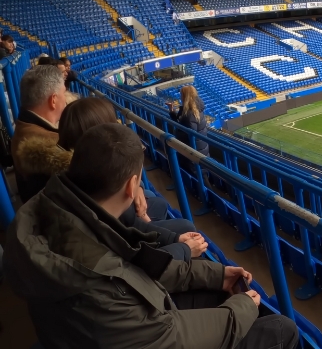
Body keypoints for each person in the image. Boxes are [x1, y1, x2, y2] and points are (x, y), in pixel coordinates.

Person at [3, 123, 299, 349]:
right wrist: (242, 307)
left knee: (221, 291)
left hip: (85, 332)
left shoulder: (59, 212)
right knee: (282, 329)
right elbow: (169, 336)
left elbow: (134, 270)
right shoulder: (94, 275)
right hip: (141, 334)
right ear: (132, 187)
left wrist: (215, 274)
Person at [16, 97, 203, 261]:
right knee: (184, 225)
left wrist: (136, 192)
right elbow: (132, 252)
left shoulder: (69, 176)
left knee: (157, 204)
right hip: (130, 260)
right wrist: (182, 249)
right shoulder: (96, 192)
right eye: (114, 124)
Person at [11, 65, 68, 202]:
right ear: (53, 100)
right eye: (64, 93)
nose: (66, 99)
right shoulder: (52, 143)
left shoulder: (24, 126)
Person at [169, 85, 209, 157]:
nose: (180, 97)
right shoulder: (196, 108)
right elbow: (182, 123)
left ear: (184, 97)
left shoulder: (189, 114)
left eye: (181, 95)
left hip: (194, 153)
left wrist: (175, 133)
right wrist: (172, 112)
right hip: (200, 149)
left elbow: (189, 134)